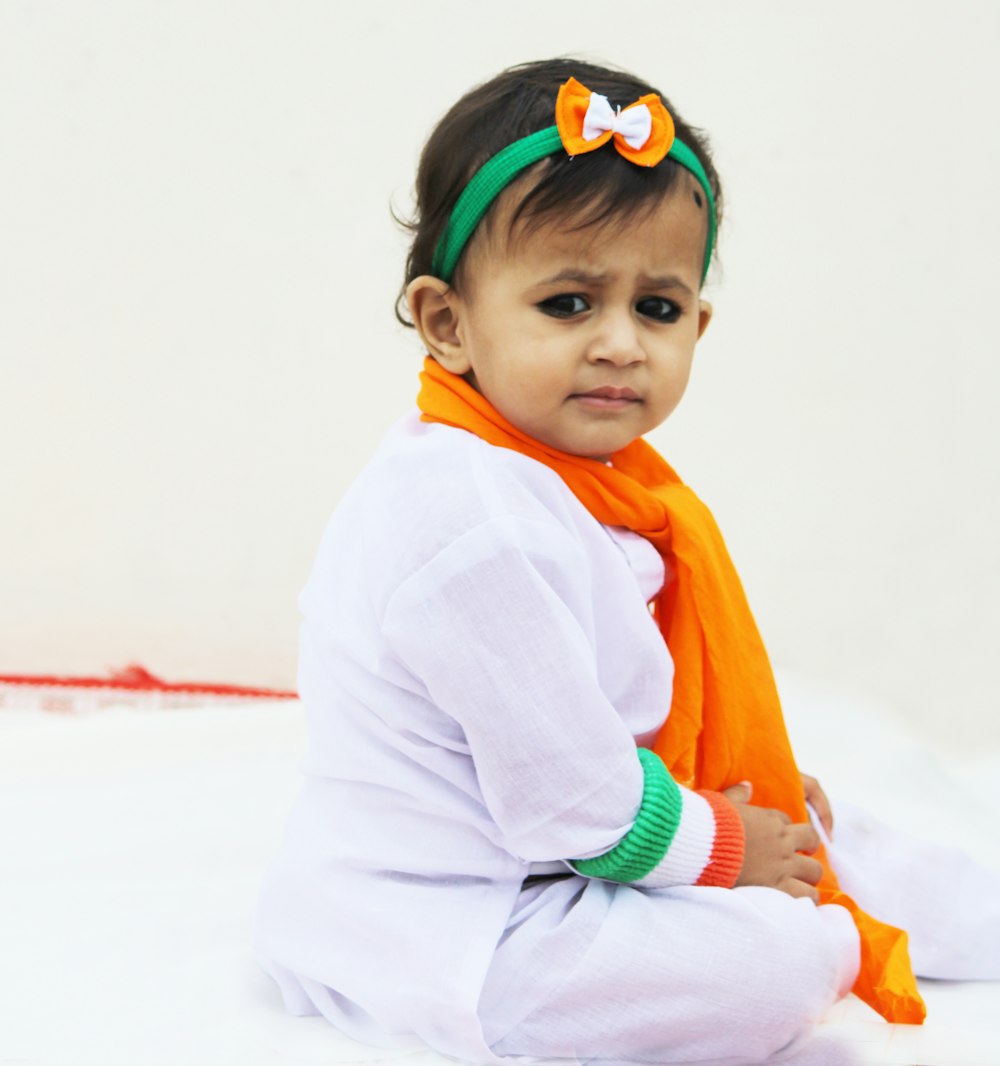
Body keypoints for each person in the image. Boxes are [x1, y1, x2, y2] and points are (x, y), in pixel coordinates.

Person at [255, 58, 999, 1065]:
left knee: (830, 827)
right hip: (462, 917)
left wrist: (732, 797)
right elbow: (569, 799)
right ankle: (829, 939)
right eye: (566, 304)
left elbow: (612, 710)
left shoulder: (593, 484)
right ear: (447, 323)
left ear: (697, 324)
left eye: (655, 308)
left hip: (578, 839)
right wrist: (725, 846)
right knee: (773, 954)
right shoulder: (471, 522)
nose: (618, 344)